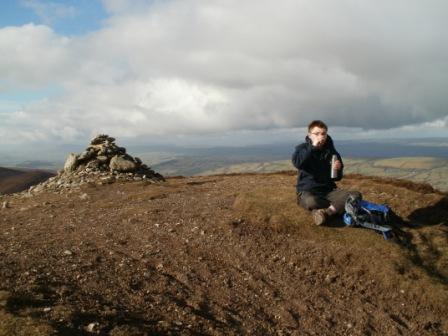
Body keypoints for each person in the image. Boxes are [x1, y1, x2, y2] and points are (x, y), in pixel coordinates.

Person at [292, 120, 361, 225]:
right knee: (312, 201)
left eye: (323, 133)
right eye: (316, 134)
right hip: (308, 191)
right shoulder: (302, 149)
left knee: (355, 195)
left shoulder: (332, 152)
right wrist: (312, 148)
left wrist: (338, 169)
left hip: (328, 191)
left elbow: (337, 178)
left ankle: (327, 213)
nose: (321, 136)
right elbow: (297, 163)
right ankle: (338, 207)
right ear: (309, 135)